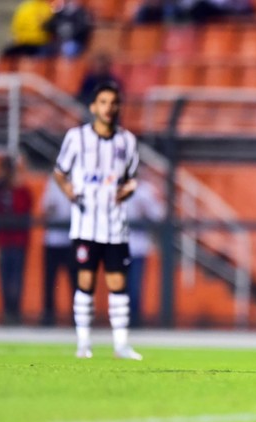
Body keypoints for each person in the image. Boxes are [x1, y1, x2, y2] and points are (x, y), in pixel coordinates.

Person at [53, 82, 142, 360]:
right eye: (103, 102)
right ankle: (83, 343)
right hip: (85, 224)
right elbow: (60, 171)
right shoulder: (76, 138)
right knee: (86, 282)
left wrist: (129, 190)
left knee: (118, 284)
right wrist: (68, 190)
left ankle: (121, 345)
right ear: (93, 107)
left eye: (113, 103)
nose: (109, 108)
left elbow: (130, 180)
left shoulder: (127, 141)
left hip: (115, 226)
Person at [0, 156, 33, 325]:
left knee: (16, 278)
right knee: (5, 278)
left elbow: (25, 210)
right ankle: (8, 312)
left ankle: (15, 312)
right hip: (3, 242)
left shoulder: (22, 191)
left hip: (18, 242)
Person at [125, 173, 164, 328]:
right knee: (119, 287)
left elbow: (159, 215)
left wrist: (145, 212)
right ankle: (120, 321)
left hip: (138, 247)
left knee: (134, 288)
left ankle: (134, 322)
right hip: (119, 245)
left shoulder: (146, 191)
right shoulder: (119, 189)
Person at [40, 176, 77, 326]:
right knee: (50, 280)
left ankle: (77, 316)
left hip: (71, 240)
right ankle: (49, 316)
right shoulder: (52, 184)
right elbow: (44, 208)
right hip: (53, 241)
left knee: (75, 281)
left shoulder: (78, 183)